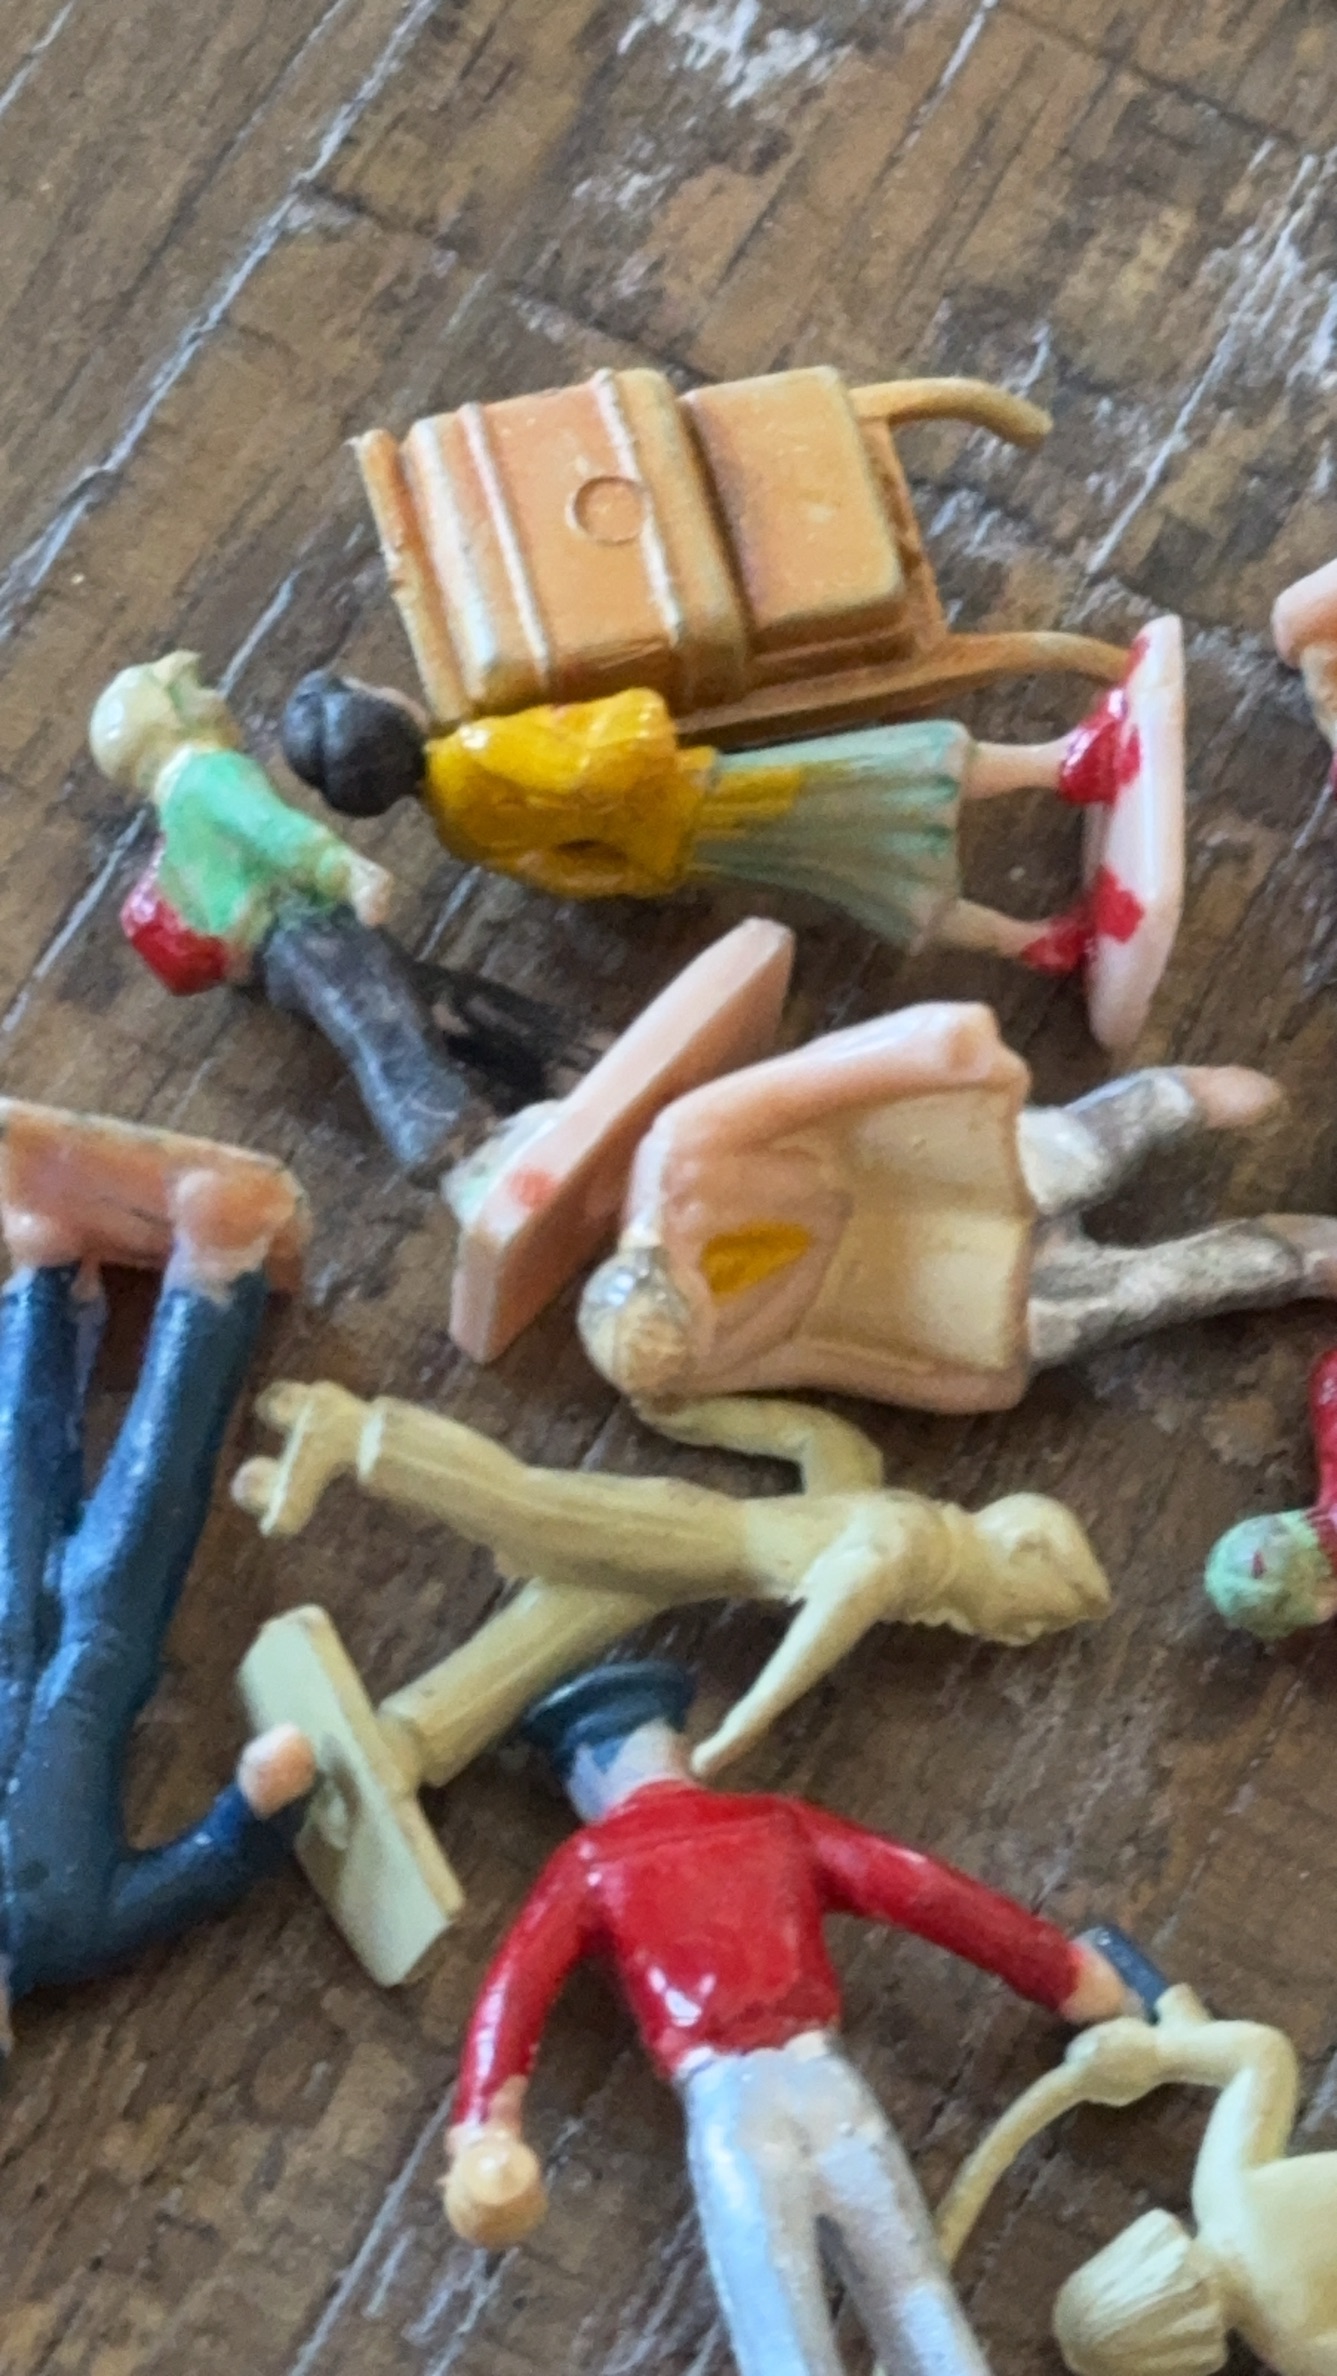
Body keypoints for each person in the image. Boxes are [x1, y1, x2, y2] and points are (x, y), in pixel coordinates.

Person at [443, 1658, 1141, 2376]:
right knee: (915, 2298)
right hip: (825, 2082)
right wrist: (1064, 1972)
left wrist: (487, 2123)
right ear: (677, 1745)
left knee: (781, 2335)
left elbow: (514, 1987)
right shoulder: (775, 1824)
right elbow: (927, 1892)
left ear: (582, 1773)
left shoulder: (592, 1861)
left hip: (729, 2106)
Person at [280, 618, 1184, 1050]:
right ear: (386, 716)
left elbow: (563, 873)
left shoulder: (453, 828)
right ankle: (1066, 763)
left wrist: (637, 867)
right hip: (705, 793)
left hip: (685, 847)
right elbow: (609, 760)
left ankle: (1037, 943)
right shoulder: (477, 749)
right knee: (897, 765)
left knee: (868, 875)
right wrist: (637, 716)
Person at [0, 1102, 315, 2060]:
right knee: (158, 1481)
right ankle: (217, 1273)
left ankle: (44, 1280)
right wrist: (262, 1803)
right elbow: (207, 1871)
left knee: (16, 1461)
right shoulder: (73, 1931)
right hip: (104, 1643)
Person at [88, 653, 601, 1174]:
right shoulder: (209, 773)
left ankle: (563, 1056)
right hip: (307, 925)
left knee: (420, 1001)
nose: (215, 698)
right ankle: (454, 1145)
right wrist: (344, 870)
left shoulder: (175, 814)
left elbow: (203, 907)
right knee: (385, 1023)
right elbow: (274, 832)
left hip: (278, 958)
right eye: (195, 691)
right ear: (169, 718)